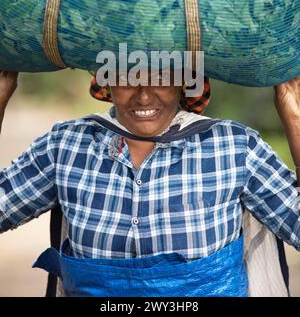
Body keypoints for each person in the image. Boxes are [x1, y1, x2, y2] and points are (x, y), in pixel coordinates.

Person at [0, 69, 299, 297]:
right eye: (127, 75)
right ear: (105, 80)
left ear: (185, 80)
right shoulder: (66, 146)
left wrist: (293, 114)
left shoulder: (233, 147)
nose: (144, 95)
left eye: (161, 76)